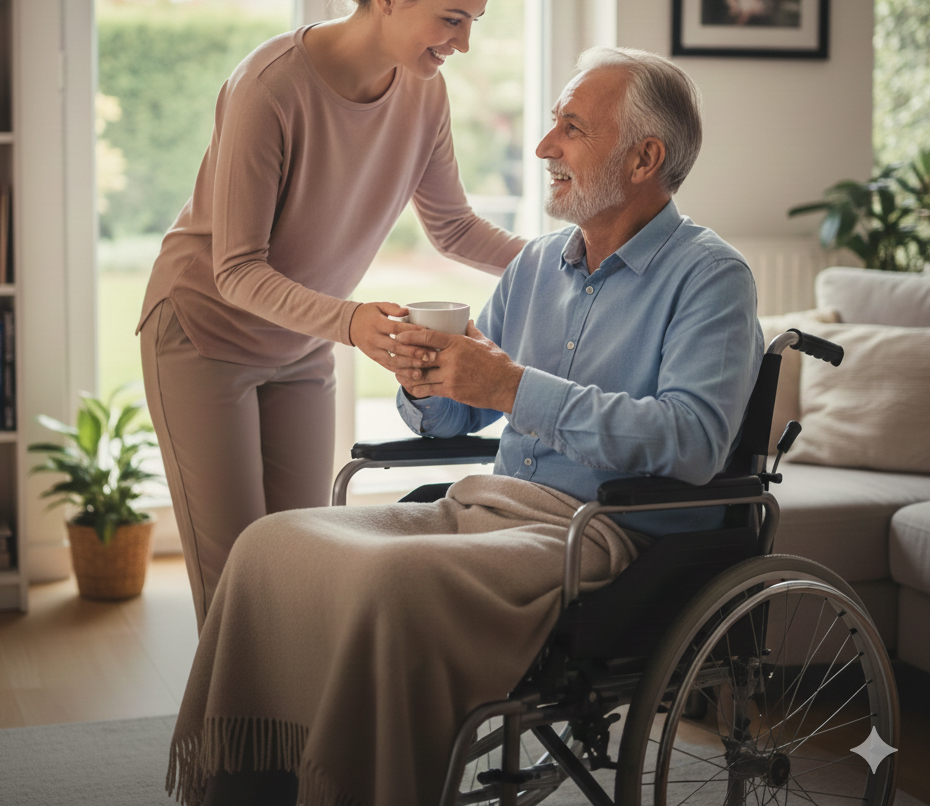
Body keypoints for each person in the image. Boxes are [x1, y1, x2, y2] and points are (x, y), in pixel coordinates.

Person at [165, 48, 763, 806]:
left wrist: (512, 386)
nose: (545, 146)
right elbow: (461, 412)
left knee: (389, 582)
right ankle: (249, 791)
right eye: (552, 123)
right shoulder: (539, 265)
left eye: (571, 129)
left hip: (604, 535)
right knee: (268, 546)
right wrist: (424, 374)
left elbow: (693, 441)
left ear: (645, 157)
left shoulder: (710, 277)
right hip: (489, 506)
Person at [138, 0, 526, 632]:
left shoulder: (423, 91)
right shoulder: (270, 86)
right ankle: (234, 750)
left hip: (302, 346)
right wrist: (349, 320)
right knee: (236, 589)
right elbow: (237, 269)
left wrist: (564, 256)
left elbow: (451, 227)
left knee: (300, 562)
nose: (464, 43)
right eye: (452, 19)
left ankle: (300, 743)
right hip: (202, 335)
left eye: (473, 22)